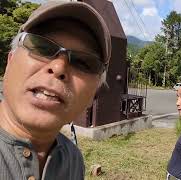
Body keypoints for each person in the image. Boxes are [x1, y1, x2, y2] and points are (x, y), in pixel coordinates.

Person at [0, 1, 111, 180]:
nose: (59, 67)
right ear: (9, 62)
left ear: (94, 95)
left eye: (83, 62)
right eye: (42, 47)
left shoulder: (74, 160)